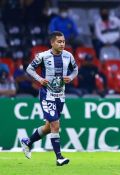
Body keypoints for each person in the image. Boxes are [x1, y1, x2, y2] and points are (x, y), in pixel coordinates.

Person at [20, 31, 78, 166]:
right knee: (55, 125)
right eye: (59, 41)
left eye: (63, 41)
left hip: (60, 95)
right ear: (52, 42)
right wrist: (40, 79)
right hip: (47, 95)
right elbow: (29, 69)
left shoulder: (68, 56)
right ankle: (59, 157)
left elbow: (75, 70)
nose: (62, 44)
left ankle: (27, 141)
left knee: (48, 127)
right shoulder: (43, 56)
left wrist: (71, 77)